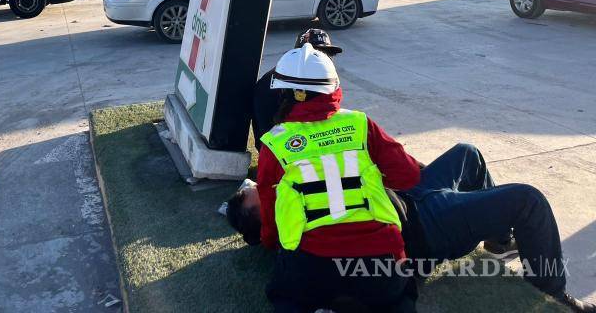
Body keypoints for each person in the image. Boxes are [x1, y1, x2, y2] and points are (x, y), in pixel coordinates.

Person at [228, 142, 594, 313]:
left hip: (411, 195)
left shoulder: (288, 203)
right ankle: (553, 293)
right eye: (256, 195)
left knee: (468, 153)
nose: (263, 188)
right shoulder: (290, 243)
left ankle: (498, 238)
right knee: (528, 200)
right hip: (426, 228)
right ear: (258, 224)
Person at [253, 45, 422, 312]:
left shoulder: (275, 144)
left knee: (285, 297)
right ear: (333, 88)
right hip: (380, 260)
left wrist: (270, 243)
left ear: (287, 93)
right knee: (401, 297)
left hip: (313, 263)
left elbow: (270, 208)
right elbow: (409, 175)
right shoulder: (362, 124)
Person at [251, 29, 342, 148]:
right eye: (318, 53)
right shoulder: (273, 86)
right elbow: (266, 133)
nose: (325, 58)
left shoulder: (323, 79)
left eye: (328, 53)